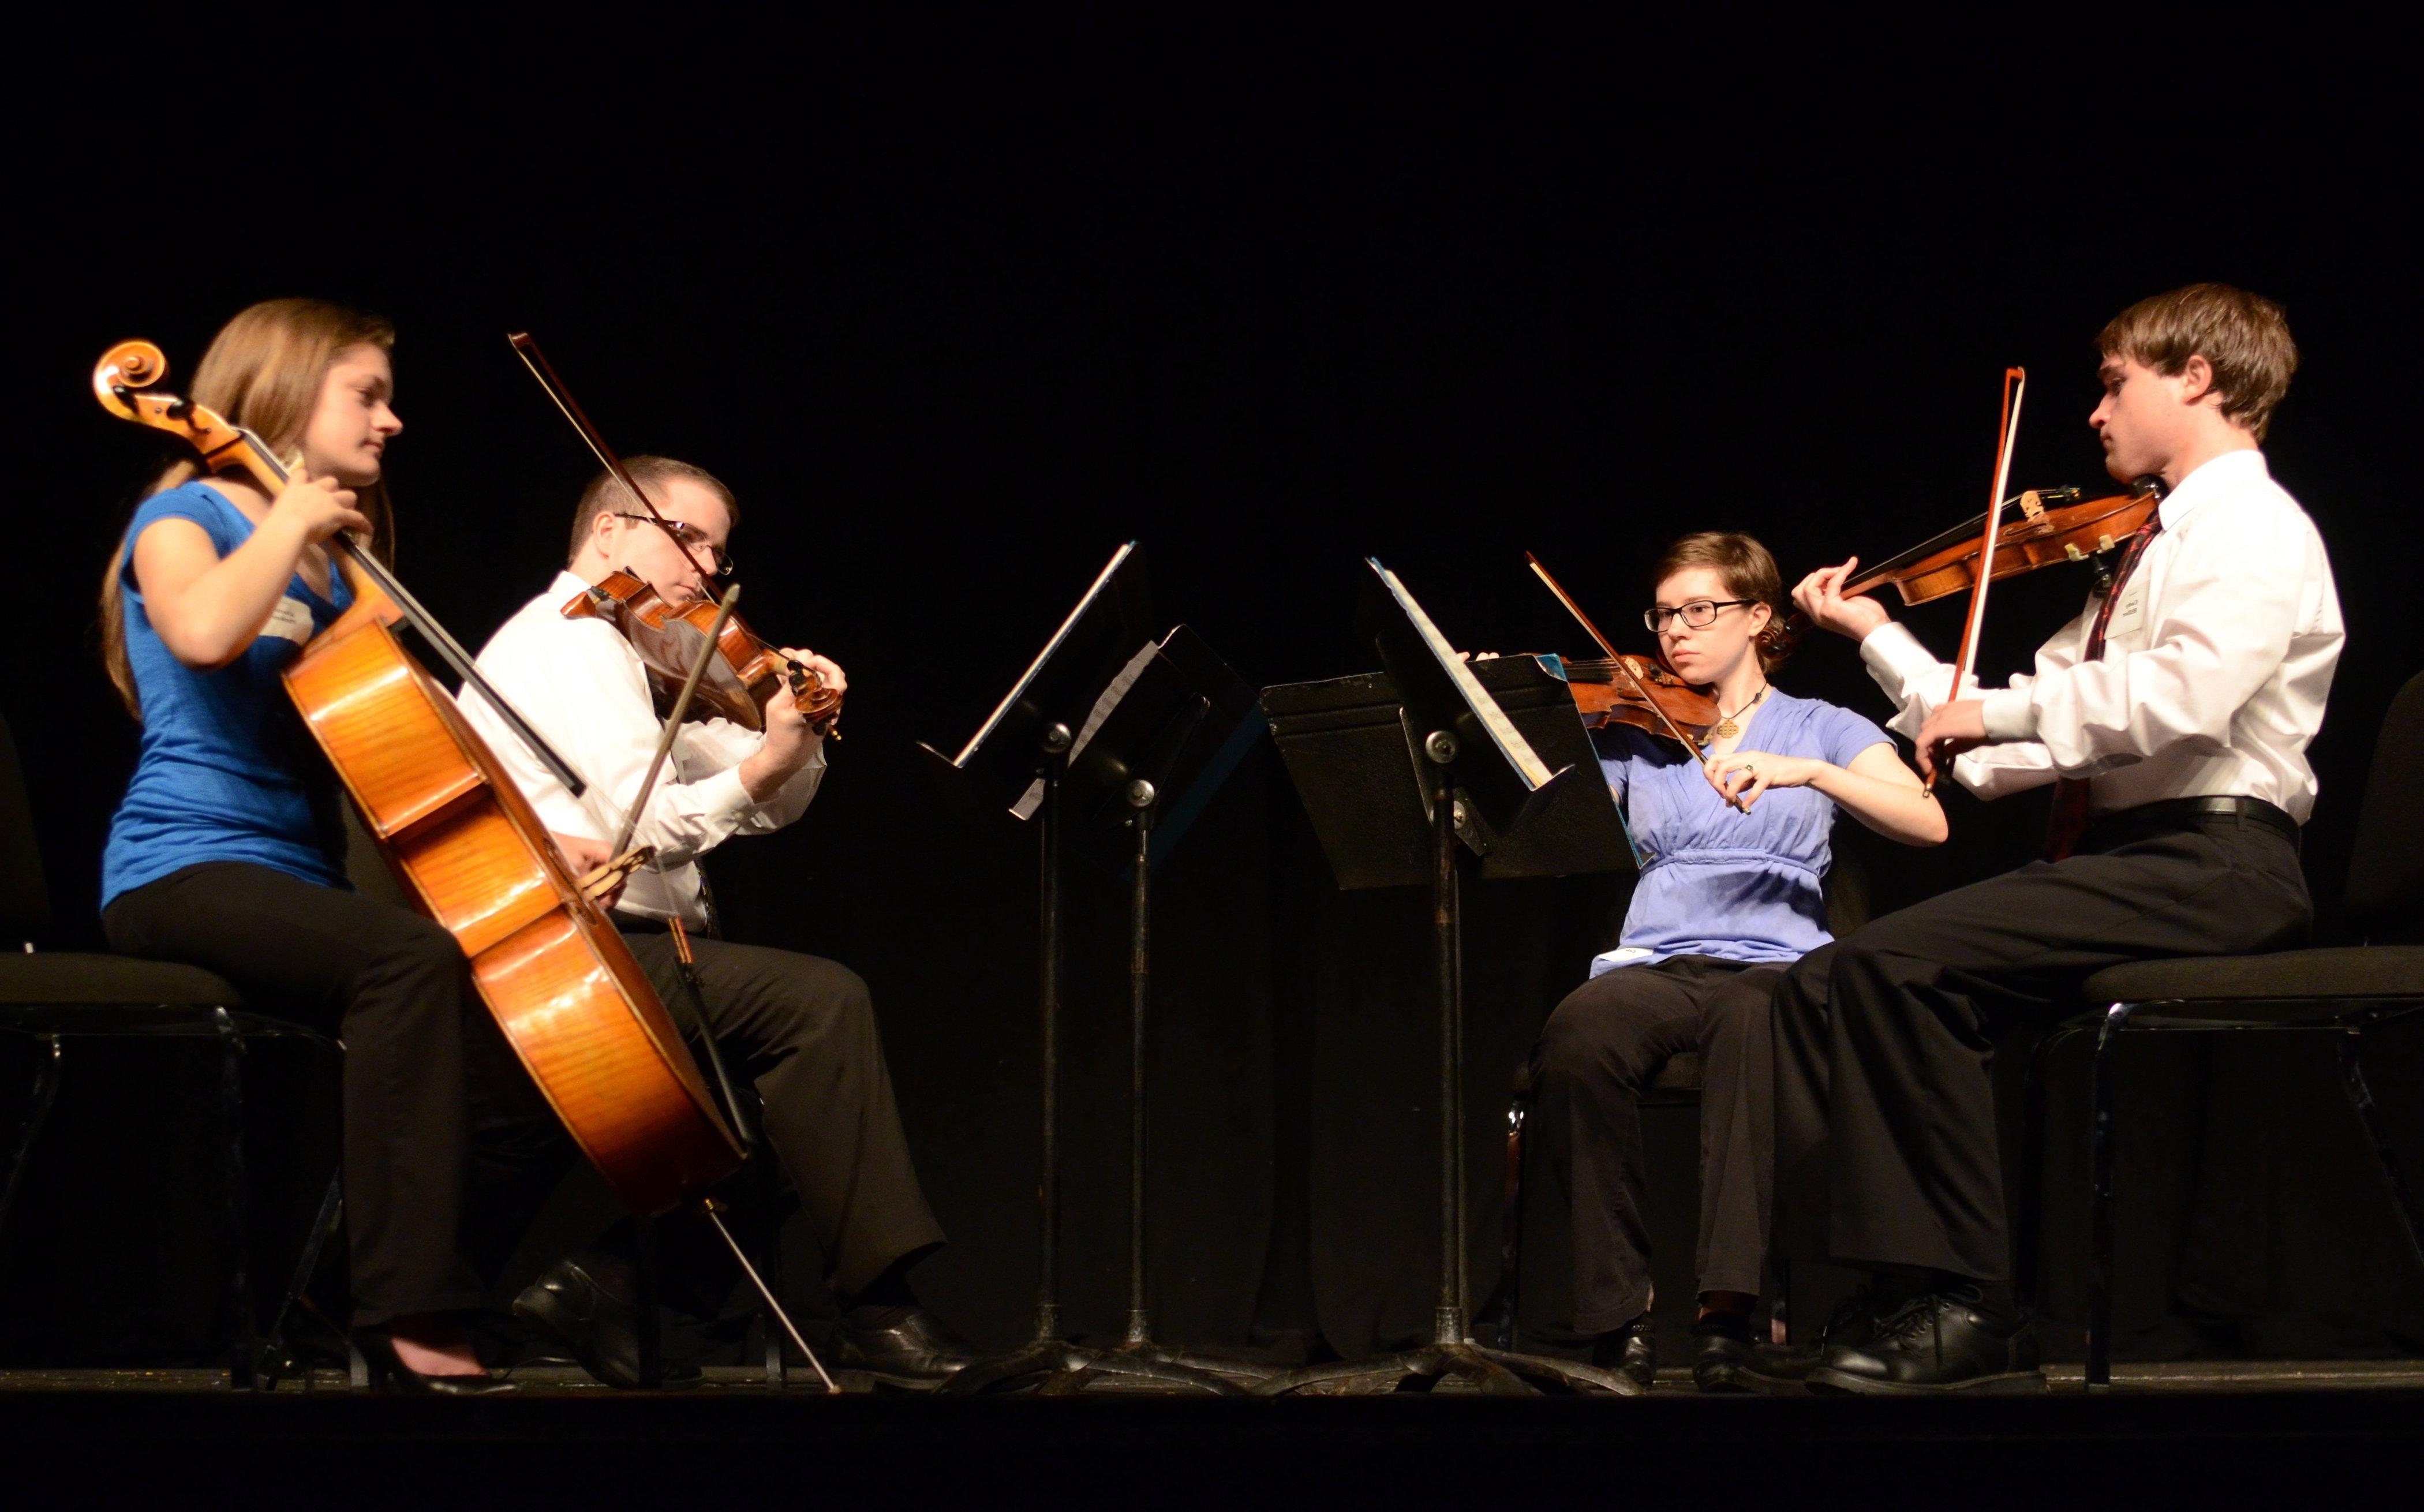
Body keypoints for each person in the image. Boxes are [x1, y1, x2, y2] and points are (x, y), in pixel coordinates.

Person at [1775, 283, 2343, 1393]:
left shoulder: (2253, 527)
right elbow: (2006, 744)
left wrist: (1992, 714)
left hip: (2222, 859)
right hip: (2139, 860)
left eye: (2114, 382)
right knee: (1825, 982)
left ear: (2197, 378)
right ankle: (1903, 1289)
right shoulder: (2140, 550)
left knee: (1891, 964)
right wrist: (1880, 638)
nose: (2095, 411)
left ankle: (1969, 1306)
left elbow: (2179, 700)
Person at [461, 456, 969, 1389]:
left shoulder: (633, 652)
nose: (702, 570)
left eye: (717, 552)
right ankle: (880, 1309)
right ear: (609, 533)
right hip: (568, 951)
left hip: (636, 947)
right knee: (822, 1006)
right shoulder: (568, 643)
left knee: (802, 1120)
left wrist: (793, 734)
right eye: (683, 535)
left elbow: (767, 802)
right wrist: (764, 768)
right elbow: (634, 830)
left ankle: (600, 1289)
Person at [95, 298, 518, 1393]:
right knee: (404, 964)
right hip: (180, 864)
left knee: (471, 983)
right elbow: (199, 632)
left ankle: (335, 1289)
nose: (392, 422)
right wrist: (289, 520)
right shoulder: (184, 517)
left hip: (298, 874)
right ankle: (413, 1309)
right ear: (284, 394)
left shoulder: (338, 561)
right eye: (366, 395)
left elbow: (373, 735)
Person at [1522, 531, 1945, 1391]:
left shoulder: (1820, 727)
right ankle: (1620, 1322)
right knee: (1577, 1036)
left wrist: (1811, 775)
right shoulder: (1635, 732)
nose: (1676, 631)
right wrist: (1495, 703)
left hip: (1776, 967)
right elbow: (1538, 815)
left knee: (1754, 1023)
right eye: (1665, 614)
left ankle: (1726, 1315)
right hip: (1656, 964)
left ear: (1759, 618)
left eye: (1700, 610)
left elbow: (1927, 821)